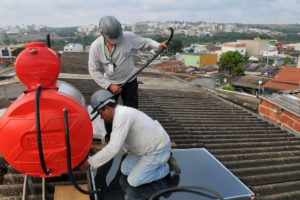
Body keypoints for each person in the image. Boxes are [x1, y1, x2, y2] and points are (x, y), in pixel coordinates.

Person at [79, 90, 181, 187]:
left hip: (157, 149)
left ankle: (165, 167)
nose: (101, 117)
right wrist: (100, 151)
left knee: (134, 181)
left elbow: (113, 148)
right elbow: (121, 147)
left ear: (108, 108)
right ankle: (157, 162)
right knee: (125, 170)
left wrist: (89, 163)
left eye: (101, 113)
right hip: (143, 148)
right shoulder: (119, 116)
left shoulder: (122, 116)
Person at [89, 16, 167, 109]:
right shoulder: (95, 47)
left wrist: (158, 45)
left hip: (129, 81)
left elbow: (146, 42)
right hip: (110, 83)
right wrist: (109, 85)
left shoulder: (128, 37)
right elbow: (93, 69)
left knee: (132, 111)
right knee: (109, 112)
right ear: (103, 34)